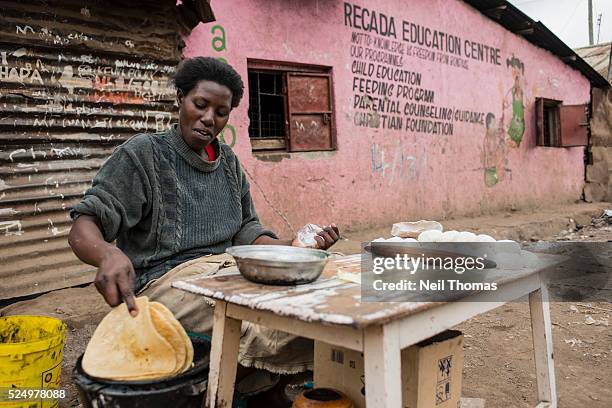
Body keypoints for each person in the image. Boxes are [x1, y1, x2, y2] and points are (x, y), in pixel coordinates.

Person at [68, 57, 340, 378]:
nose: (209, 119)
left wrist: (292, 247)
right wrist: (108, 254)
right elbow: (85, 225)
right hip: (165, 284)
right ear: (180, 98)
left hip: (227, 274)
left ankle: (280, 385)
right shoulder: (143, 154)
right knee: (262, 326)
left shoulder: (228, 165)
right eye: (200, 104)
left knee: (317, 305)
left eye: (221, 113)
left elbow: (247, 232)